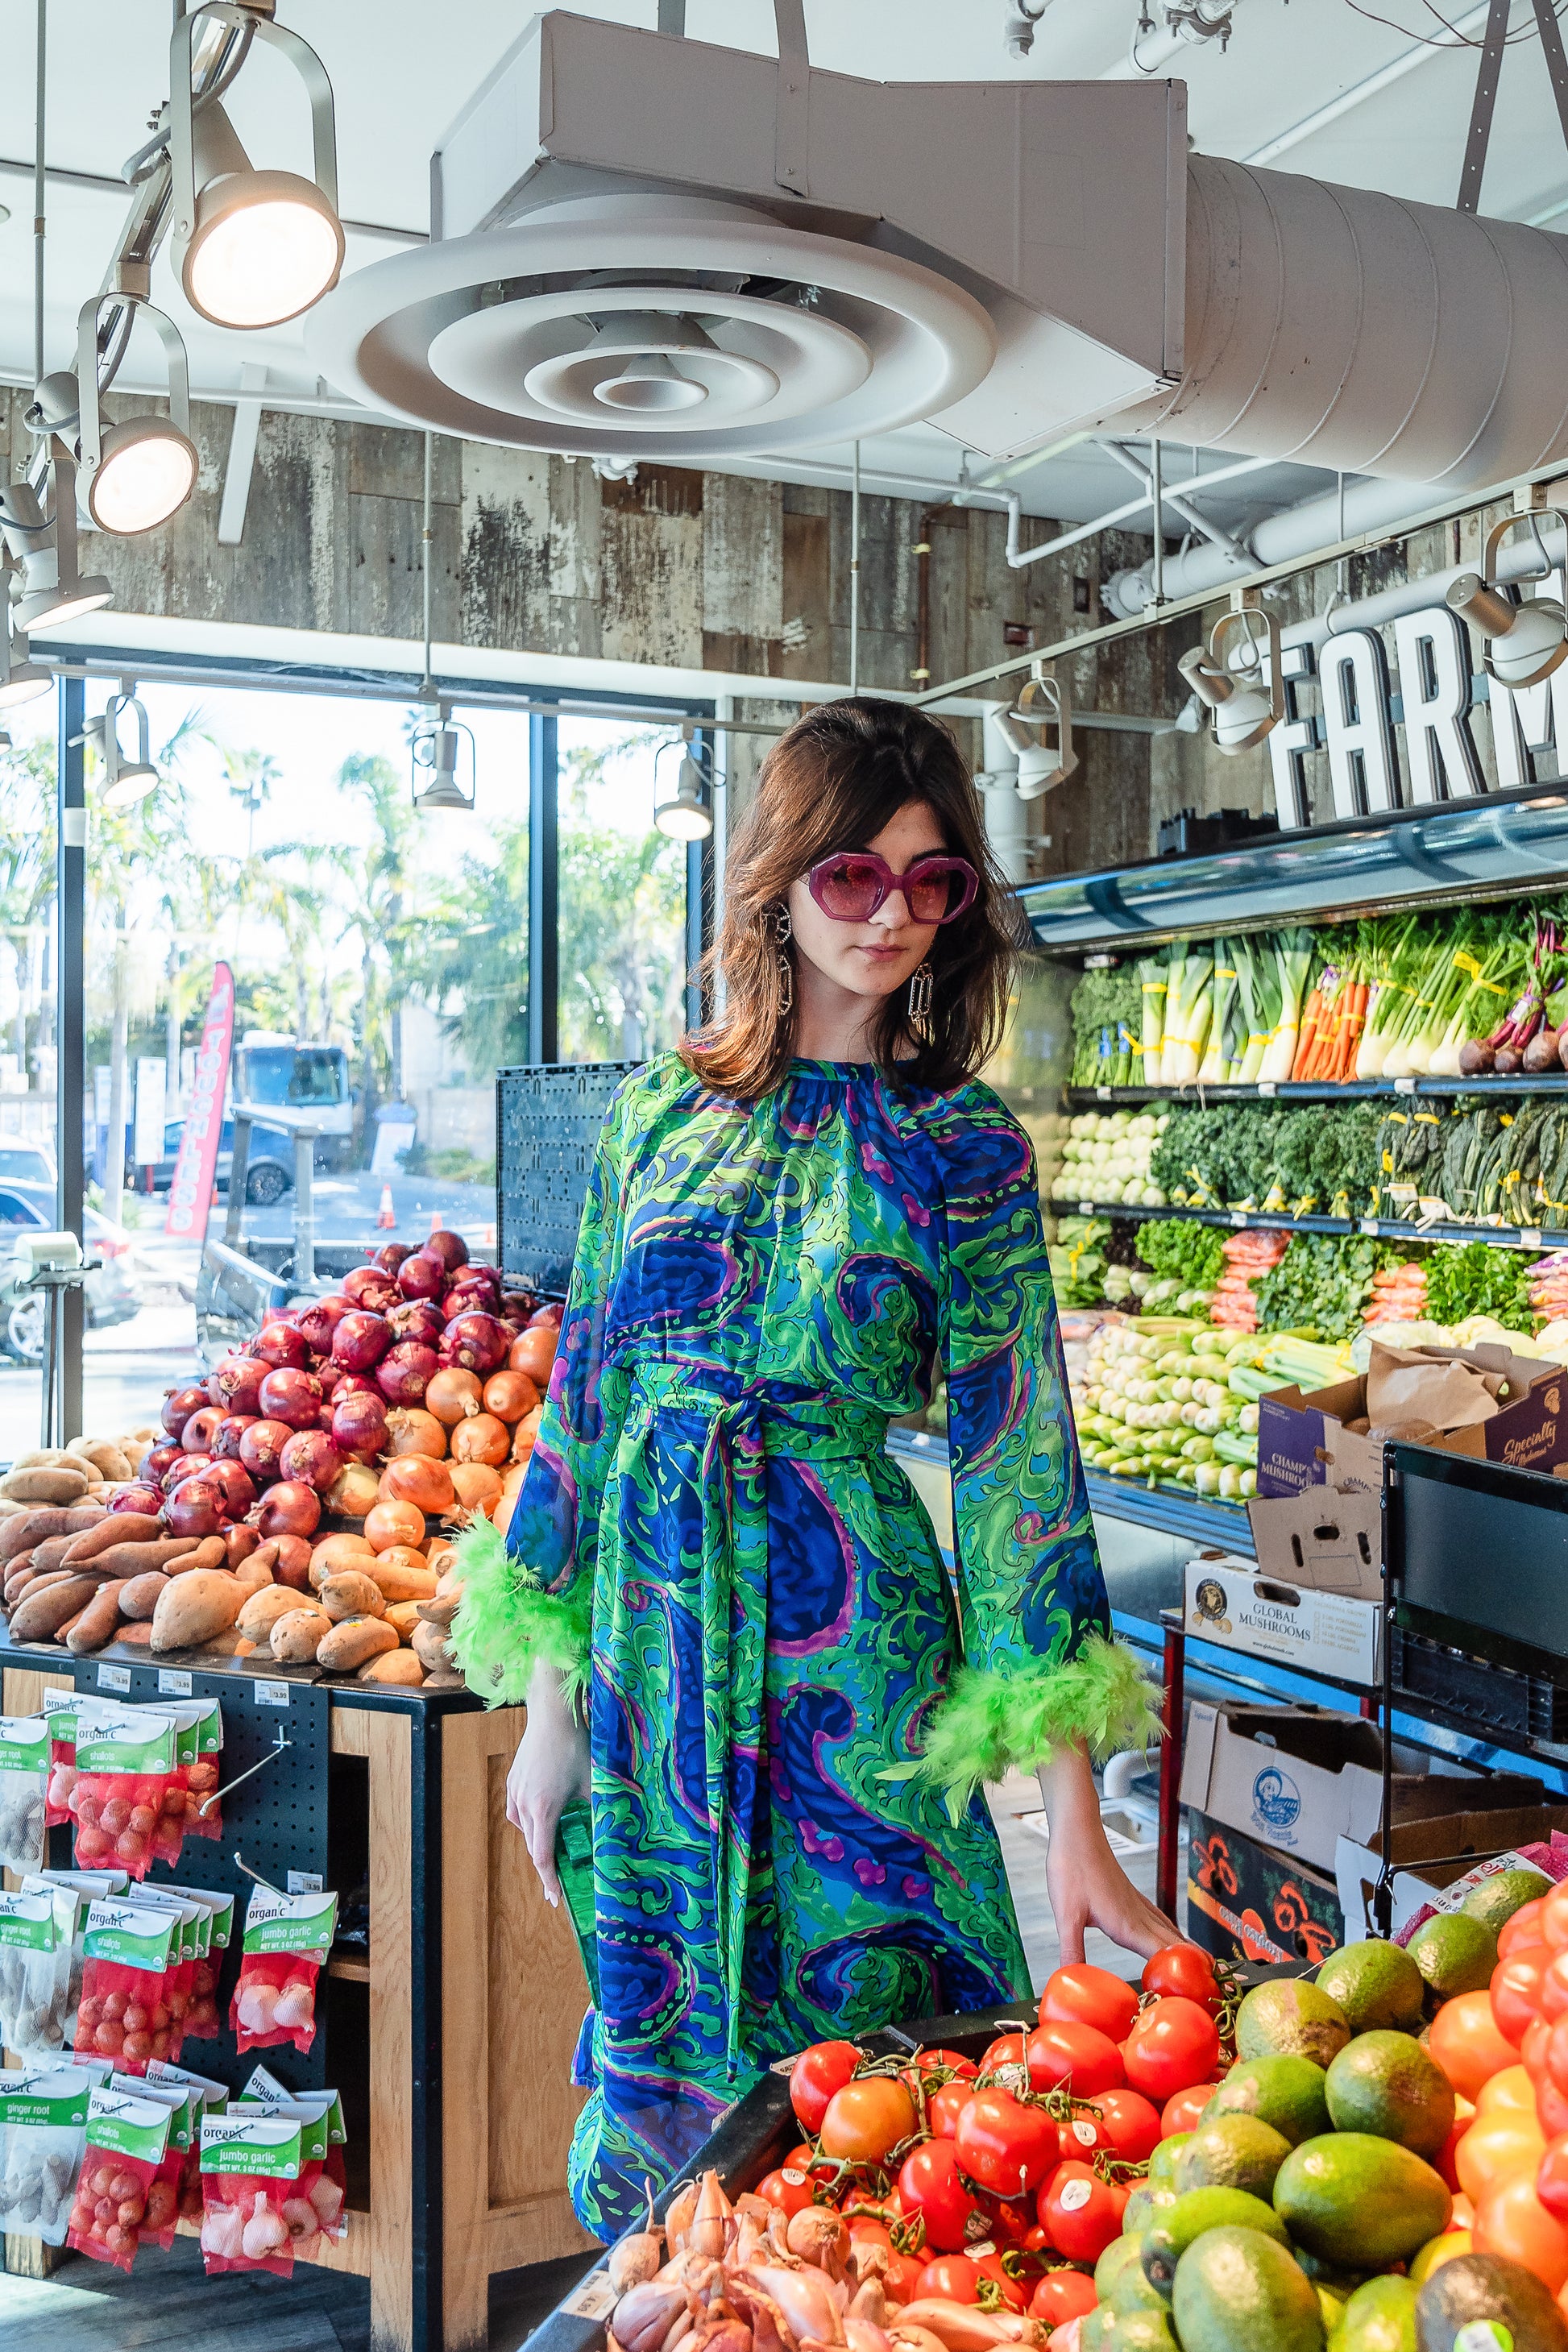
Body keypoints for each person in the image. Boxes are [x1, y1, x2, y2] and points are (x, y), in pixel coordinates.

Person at [453, 697, 1174, 2241]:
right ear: (779, 881)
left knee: (892, 2094)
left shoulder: (964, 1150)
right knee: (669, 2088)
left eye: (935, 884)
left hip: (861, 1661)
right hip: (650, 1654)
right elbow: (580, 1415)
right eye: (854, 875)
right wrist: (546, 1710)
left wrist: (1078, 1827)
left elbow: (1016, 1474)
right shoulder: (654, 1113)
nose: (893, 916)